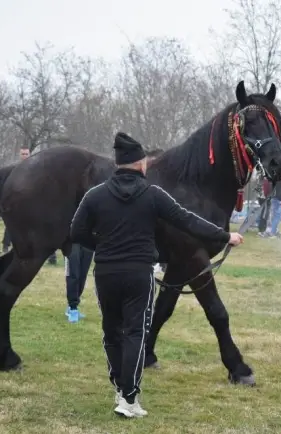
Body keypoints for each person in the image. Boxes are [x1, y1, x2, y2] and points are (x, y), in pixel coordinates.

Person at [70, 132, 244, 418]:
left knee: (112, 332)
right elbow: (188, 222)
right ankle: (129, 398)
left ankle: (118, 386)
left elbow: (76, 232)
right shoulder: (154, 194)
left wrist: (103, 245)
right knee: (136, 334)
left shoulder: (95, 194)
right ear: (140, 164)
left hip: (106, 273)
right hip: (139, 273)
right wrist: (226, 236)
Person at [64, 243, 94, 323]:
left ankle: (72, 306)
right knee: (73, 273)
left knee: (82, 275)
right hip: (71, 241)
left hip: (88, 240)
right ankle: (73, 308)